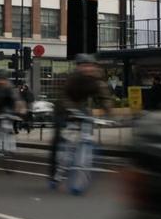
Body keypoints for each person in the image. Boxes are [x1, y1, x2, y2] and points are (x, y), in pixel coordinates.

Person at [48, 54, 113, 186]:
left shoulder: (97, 81)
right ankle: (54, 173)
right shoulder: (71, 79)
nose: (88, 69)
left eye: (90, 65)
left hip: (81, 108)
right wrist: (71, 110)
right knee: (57, 138)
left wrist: (108, 112)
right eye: (84, 66)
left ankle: (83, 154)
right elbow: (64, 97)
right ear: (78, 67)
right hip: (63, 109)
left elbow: (105, 98)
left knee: (87, 125)